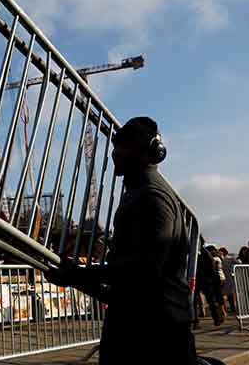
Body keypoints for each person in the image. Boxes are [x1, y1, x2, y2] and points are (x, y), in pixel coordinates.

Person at [46, 117, 197, 364]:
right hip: (138, 323)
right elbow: (130, 284)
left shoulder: (153, 198)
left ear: (148, 152)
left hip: (154, 333)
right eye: (116, 147)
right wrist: (76, 277)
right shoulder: (138, 192)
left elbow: (143, 272)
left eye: (124, 147)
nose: (116, 154)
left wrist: (79, 275)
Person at [218, 247, 236, 312]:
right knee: (227, 294)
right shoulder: (220, 259)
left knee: (230, 294)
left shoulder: (230, 258)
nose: (219, 253)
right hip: (223, 278)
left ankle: (232, 308)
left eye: (221, 252)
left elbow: (238, 263)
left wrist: (233, 271)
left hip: (229, 278)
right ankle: (228, 308)